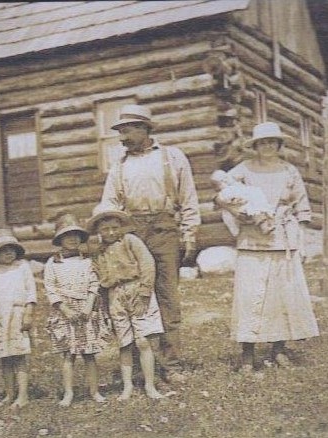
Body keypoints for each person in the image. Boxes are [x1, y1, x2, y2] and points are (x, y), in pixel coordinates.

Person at [100, 104, 200, 381]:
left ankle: (171, 364)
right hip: (130, 232)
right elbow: (109, 202)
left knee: (167, 296)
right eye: (120, 131)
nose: (123, 137)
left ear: (145, 128)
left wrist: (190, 233)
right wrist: (104, 233)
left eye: (128, 129)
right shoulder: (119, 165)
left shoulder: (171, 157)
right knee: (130, 294)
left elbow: (188, 197)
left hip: (165, 229)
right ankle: (134, 364)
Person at [216, 121, 319, 371]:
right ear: (255, 146)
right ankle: (248, 355)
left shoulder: (289, 171)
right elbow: (222, 196)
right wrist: (241, 213)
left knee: (281, 296)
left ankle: (278, 349)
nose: (268, 146)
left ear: (279, 145)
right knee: (251, 296)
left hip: (283, 239)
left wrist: (301, 240)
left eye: (273, 142)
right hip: (252, 240)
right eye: (263, 142)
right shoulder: (243, 169)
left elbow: (302, 206)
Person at [87, 204, 164, 400]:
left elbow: (147, 264)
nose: (111, 232)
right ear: (98, 231)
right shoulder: (98, 251)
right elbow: (97, 276)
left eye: (114, 227)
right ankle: (127, 387)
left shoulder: (131, 241)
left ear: (121, 226)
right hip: (115, 296)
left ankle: (150, 385)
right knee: (125, 343)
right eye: (105, 229)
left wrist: (144, 292)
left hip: (137, 290)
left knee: (144, 340)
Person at [44, 213, 110, 407]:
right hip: (65, 312)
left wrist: (89, 304)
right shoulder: (53, 263)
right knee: (68, 355)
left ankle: (94, 391)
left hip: (85, 310)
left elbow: (94, 283)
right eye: (67, 235)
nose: (72, 239)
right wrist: (65, 309)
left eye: (76, 235)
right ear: (59, 240)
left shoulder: (87, 261)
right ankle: (68, 393)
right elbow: (50, 288)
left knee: (89, 354)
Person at [0, 229, 37, 409]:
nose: (8, 252)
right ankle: (9, 394)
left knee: (19, 356)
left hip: (16, 315)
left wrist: (28, 313)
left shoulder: (22, 266)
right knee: (4, 358)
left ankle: (23, 395)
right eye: (2, 249)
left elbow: (31, 292)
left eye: (11, 248)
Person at [210, 169, 275, 235]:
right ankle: (264, 227)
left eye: (226, 177)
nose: (226, 180)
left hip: (250, 204)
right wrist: (238, 200)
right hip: (242, 209)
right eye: (222, 180)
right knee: (256, 213)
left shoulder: (234, 185)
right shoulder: (226, 191)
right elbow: (228, 199)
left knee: (260, 210)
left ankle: (268, 223)